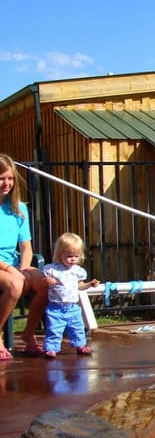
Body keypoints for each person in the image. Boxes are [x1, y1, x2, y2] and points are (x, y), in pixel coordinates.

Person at [0, 154, 49, 360]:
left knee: (46, 282)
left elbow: (26, 247)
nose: (7, 183)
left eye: (10, 178)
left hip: (13, 265)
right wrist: (12, 271)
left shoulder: (19, 208)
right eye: (1, 178)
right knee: (14, 284)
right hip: (3, 266)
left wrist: (24, 269)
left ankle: (28, 333)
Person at [41, 233, 100, 358]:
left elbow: (80, 286)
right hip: (56, 307)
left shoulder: (78, 271)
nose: (73, 259)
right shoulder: (52, 269)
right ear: (60, 254)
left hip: (73, 307)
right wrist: (47, 281)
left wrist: (89, 284)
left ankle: (80, 345)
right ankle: (51, 348)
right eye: (69, 256)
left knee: (77, 328)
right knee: (54, 329)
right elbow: (42, 281)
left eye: (76, 256)